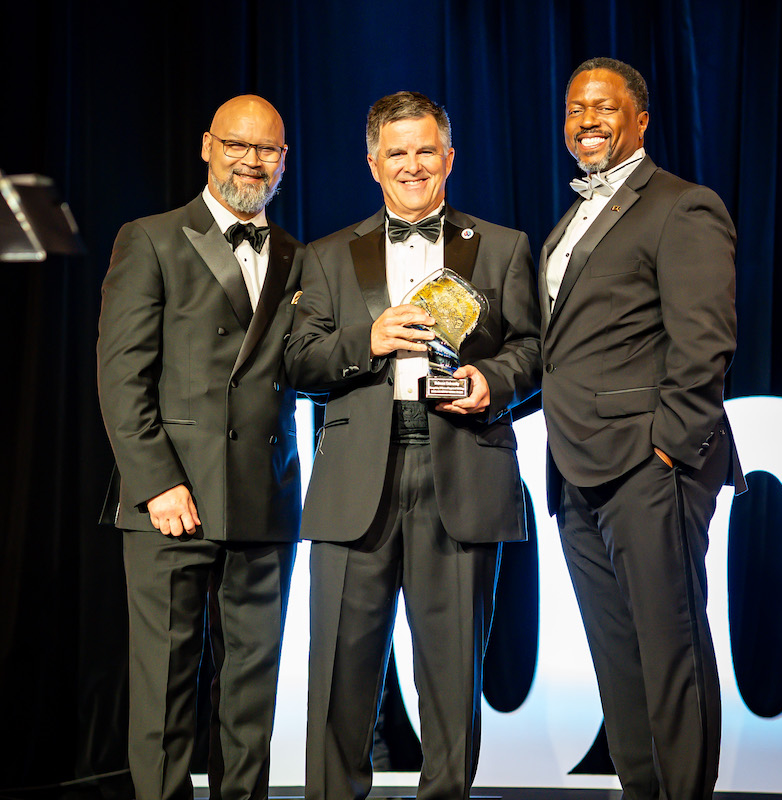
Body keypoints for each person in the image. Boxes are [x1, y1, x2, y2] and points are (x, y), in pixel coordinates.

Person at [285, 91, 540, 800]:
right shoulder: (327, 255)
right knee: (339, 676)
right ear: (373, 164)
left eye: (426, 150)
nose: (412, 165)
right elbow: (297, 362)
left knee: (452, 682)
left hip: (460, 467)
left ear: (449, 158)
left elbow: (533, 348)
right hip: (355, 478)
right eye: (397, 153)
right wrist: (364, 343)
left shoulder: (503, 246)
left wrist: (492, 379)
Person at [539, 58, 746, 799]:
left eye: (603, 106)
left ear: (641, 121)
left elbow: (704, 341)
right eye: (574, 109)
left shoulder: (681, 206)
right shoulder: (568, 221)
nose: (586, 120)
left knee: (672, 656)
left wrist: (668, 450)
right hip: (576, 468)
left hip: (649, 468)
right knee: (618, 661)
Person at [97, 95, 303, 800]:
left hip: (264, 496)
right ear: (207, 147)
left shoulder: (299, 255)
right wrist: (156, 482)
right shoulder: (151, 237)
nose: (252, 160)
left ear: (284, 161)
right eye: (237, 145)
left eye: (267, 149)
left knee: (251, 693)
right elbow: (121, 375)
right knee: (163, 689)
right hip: (171, 500)